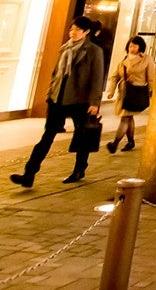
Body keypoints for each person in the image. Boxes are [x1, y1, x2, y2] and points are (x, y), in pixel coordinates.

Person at [11, 16, 105, 188]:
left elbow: (97, 78)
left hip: (80, 99)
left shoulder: (93, 51)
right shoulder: (65, 49)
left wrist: (94, 102)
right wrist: (50, 92)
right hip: (58, 98)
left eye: (77, 29)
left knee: (81, 135)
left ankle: (79, 169)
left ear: (86, 32)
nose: (73, 33)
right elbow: (57, 73)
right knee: (47, 137)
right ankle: (29, 173)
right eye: (72, 29)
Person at [105, 36, 151, 153]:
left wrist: (152, 92)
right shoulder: (123, 60)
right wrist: (110, 91)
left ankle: (114, 144)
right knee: (129, 117)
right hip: (124, 93)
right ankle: (131, 142)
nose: (132, 48)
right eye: (130, 46)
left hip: (136, 93)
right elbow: (115, 76)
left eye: (135, 46)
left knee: (125, 118)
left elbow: (152, 78)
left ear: (140, 47)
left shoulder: (146, 59)